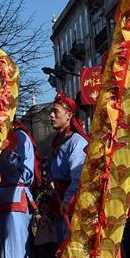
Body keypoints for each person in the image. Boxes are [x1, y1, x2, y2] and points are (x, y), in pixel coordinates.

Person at [0, 123, 36, 258]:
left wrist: (5, 150)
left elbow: (25, 172)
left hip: (16, 197)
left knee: (16, 256)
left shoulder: (20, 136)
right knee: (5, 256)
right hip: (0, 200)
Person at [47, 93, 88, 242]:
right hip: (58, 199)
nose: (51, 116)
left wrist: (67, 200)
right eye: (51, 112)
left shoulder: (77, 142)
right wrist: (50, 179)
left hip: (70, 203)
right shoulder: (56, 141)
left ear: (69, 115)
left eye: (56, 112)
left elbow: (78, 176)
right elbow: (50, 168)